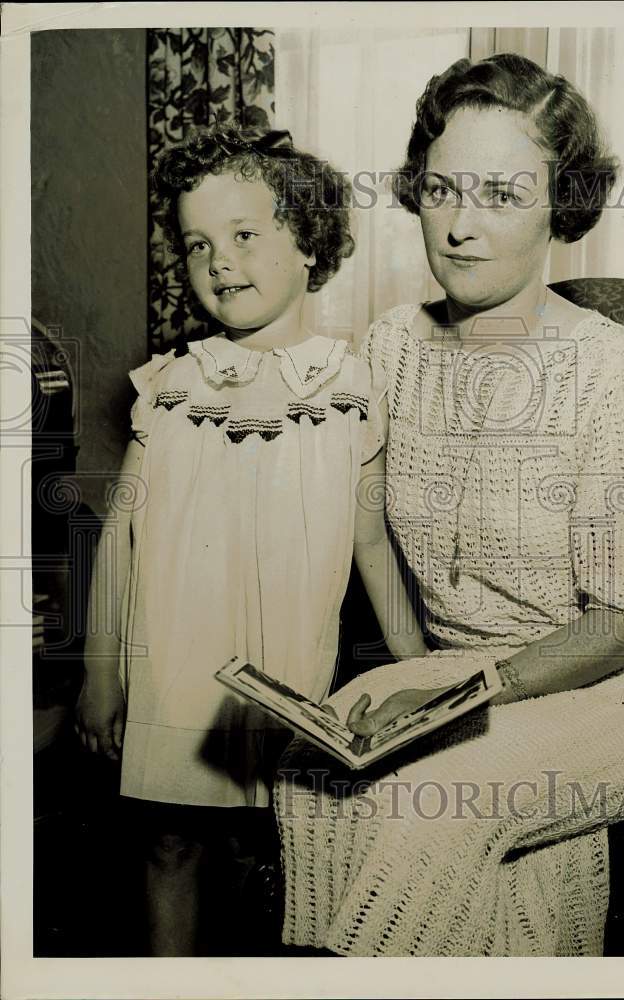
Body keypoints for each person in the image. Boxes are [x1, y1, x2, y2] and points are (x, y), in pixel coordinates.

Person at [274, 54, 624, 957]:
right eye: (441, 191)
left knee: (434, 807)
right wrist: (410, 666)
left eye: (502, 195)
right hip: (465, 667)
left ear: (563, 204)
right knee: (309, 772)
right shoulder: (394, 343)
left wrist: (455, 697)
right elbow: (364, 515)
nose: (462, 227)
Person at [75, 123, 427, 956]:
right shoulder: (168, 388)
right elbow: (120, 538)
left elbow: (372, 545)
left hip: (287, 667)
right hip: (174, 660)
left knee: (285, 853)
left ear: (308, 245)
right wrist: (97, 673)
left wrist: (425, 673)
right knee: (170, 841)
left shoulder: (351, 388)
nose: (219, 263)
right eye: (198, 245)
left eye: (243, 236)